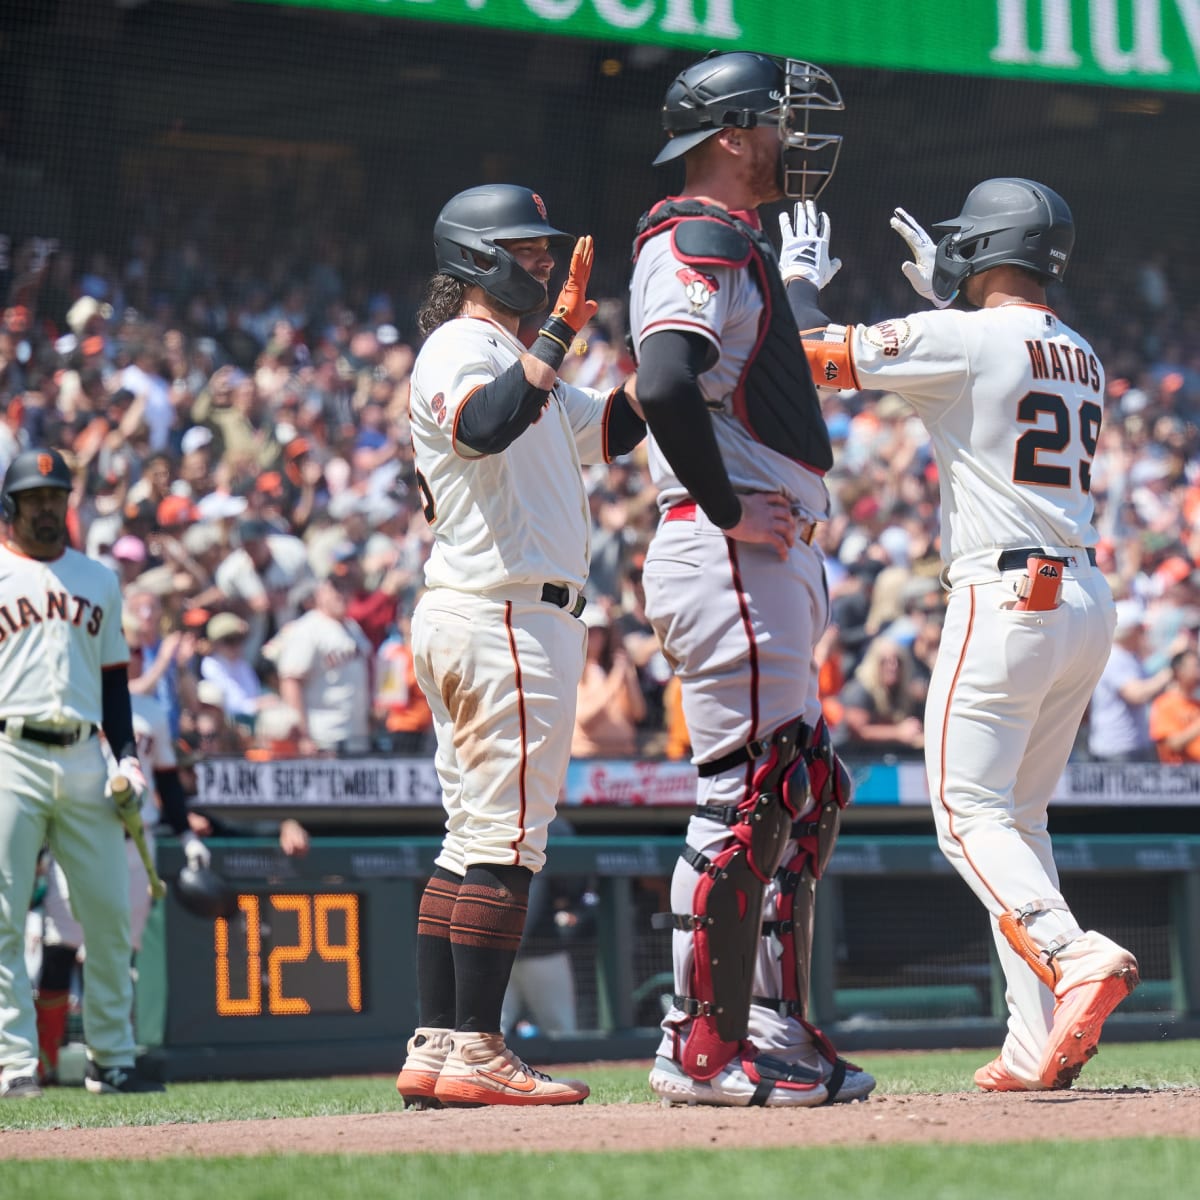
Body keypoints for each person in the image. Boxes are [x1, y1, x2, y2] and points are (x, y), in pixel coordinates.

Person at [791, 176, 1139, 1090]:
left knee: (966, 814)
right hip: (1083, 600)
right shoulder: (1082, 349)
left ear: (985, 250)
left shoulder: (962, 334)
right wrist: (946, 302)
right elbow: (988, 368)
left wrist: (796, 283)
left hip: (1007, 596)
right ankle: (1034, 1045)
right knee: (1018, 821)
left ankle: (1071, 955)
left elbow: (808, 357)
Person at [628, 50, 872, 1108]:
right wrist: (728, 504)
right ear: (732, 136)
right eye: (776, 121)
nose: (794, 140)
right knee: (746, 798)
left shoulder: (737, 244)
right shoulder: (697, 231)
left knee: (799, 790)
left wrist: (804, 284)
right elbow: (665, 377)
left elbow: (735, 371)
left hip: (759, 552)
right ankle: (698, 1044)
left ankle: (763, 1020)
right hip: (728, 545)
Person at [393, 184, 644, 1109]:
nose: (544, 264)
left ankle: (438, 1043)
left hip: (490, 612)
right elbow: (484, 425)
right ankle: (481, 1048)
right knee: (510, 840)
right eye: (525, 250)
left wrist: (673, 350)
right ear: (471, 257)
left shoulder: (503, 351)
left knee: (471, 839)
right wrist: (553, 340)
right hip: (503, 614)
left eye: (546, 249)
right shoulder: (463, 344)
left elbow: (610, 426)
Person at [0, 448, 163, 1097]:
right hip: (9, 751)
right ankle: (14, 1063)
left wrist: (124, 753)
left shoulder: (97, 579)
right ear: (10, 507)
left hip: (83, 755)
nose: (46, 509)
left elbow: (113, 682)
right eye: (34, 498)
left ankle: (110, 1056)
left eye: (55, 497)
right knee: (5, 918)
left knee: (106, 915)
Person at [36, 614, 211, 1083]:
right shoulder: (71, 703)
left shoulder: (152, 711)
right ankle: (44, 1059)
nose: (131, 657)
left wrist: (188, 834)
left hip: (136, 843)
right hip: (77, 835)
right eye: (125, 649)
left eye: (137, 651)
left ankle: (112, 1053)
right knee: (59, 947)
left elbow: (169, 783)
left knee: (118, 953)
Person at [1089, 601, 1180, 762]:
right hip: (1117, 749)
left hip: (1132, 745)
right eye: (1141, 629)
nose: (1145, 634)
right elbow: (1136, 694)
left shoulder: (1130, 656)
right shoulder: (1115, 657)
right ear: (1129, 631)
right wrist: (1171, 670)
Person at [570, 604, 645, 759]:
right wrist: (617, 677)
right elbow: (585, 717)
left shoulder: (614, 668)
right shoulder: (576, 670)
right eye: (591, 631)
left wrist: (628, 676)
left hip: (623, 758)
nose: (596, 637)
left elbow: (639, 713)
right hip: (588, 760)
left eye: (600, 631)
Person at [1148, 647, 1200, 763]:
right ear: (1178, 671)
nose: (1198, 672)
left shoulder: (1196, 704)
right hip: (1179, 776)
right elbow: (1173, 745)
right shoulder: (1165, 704)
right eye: (1195, 667)